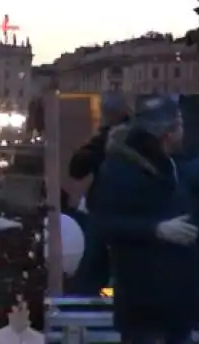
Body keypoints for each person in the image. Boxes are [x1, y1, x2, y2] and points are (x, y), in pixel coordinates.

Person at [93, 95, 199, 344]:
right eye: (179, 124)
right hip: (146, 310)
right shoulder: (120, 171)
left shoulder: (167, 164)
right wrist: (156, 230)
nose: (184, 130)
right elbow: (105, 224)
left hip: (178, 308)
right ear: (167, 133)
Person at [68, 91, 129, 295]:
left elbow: (76, 169)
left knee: (93, 267)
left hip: (107, 213)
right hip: (128, 214)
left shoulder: (106, 140)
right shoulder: (143, 137)